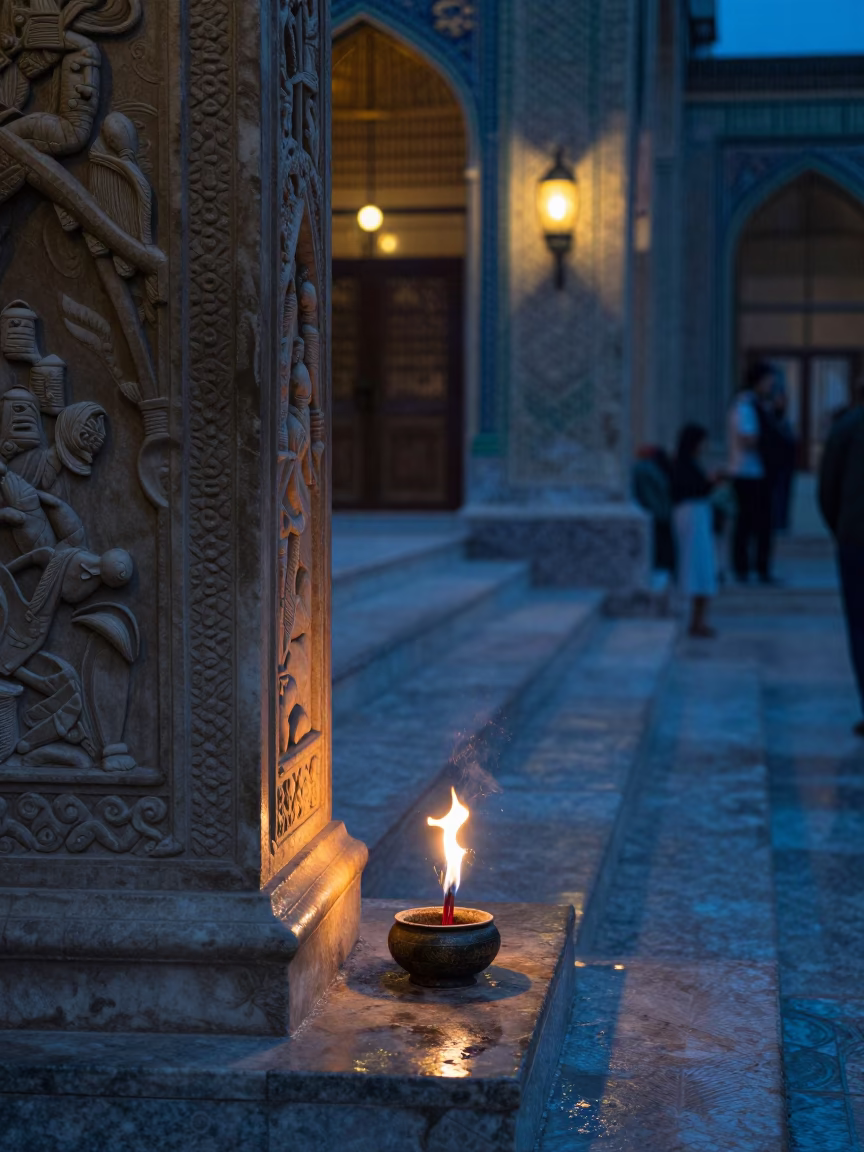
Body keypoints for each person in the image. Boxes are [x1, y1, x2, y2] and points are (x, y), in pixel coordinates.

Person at [819, 384, 864, 736]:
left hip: (855, 538)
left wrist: (841, 528)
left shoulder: (846, 427)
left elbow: (827, 488)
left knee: (860, 624)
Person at [728, 362, 777, 584]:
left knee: (764, 525)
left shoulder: (760, 405)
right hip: (747, 473)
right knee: (746, 523)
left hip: (760, 472)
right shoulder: (745, 406)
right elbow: (748, 439)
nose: (771, 385)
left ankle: (761, 567)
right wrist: (769, 442)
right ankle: (742, 568)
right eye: (768, 380)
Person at [672, 423, 717, 638]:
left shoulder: (688, 464)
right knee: (697, 567)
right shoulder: (683, 466)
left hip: (696, 516)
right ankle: (695, 620)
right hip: (692, 517)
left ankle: (699, 620)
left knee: (702, 568)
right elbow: (694, 489)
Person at [632, 446, 675, 584]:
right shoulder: (648, 470)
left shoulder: (642, 469)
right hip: (659, 513)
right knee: (661, 551)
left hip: (655, 513)